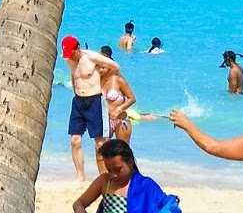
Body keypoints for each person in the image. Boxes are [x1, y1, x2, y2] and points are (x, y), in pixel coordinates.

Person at [61, 36, 119, 181]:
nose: (70, 57)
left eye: (71, 53)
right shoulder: (69, 60)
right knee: (75, 140)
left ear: (78, 48)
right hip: (78, 102)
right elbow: (73, 76)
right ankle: (80, 177)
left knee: (100, 143)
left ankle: (105, 175)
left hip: (94, 101)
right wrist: (75, 92)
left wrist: (103, 78)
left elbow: (115, 66)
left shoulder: (92, 57)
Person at [72, 138, 175, 213]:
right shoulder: (105, 181)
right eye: (109, 170)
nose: (113, 175)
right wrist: (80, 210)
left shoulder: (146, 185)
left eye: (118, 170)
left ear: (130, 162)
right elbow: (79, 202)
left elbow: (165, 207)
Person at [100, 47, 137, 142]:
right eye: (99, 67)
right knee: (103, 151)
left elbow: (132, 98)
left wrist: (118, 109)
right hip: (104, 121)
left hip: (120, 120)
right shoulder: (97, 82)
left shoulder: (118, 80)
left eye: (103, 67)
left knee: (123, 152)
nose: (101, 70)